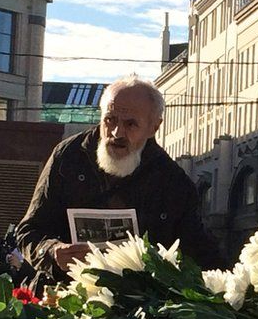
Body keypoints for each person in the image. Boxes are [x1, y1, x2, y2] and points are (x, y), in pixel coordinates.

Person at [16, 75, 221, 282]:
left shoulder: (172, 182)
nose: (116, 132)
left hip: (137, 305)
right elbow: (28, 231)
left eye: (131, 124)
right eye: (110, 120)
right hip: (63, 292)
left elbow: (200, 253)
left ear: (154, 127)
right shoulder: (69, 156)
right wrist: (52, 251)